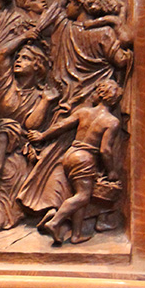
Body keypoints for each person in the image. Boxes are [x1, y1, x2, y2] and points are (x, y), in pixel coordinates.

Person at [29, 79, 123, 245]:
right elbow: (105, 150)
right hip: (85, 157)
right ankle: (55, 222)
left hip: (70, 154)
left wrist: (42, 135)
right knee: (83, 196)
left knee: (79, 193)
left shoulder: (84, 112)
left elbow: (61, 125)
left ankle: (76, 234)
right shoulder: (111, 121)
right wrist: (112, 171)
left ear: (100, 94)